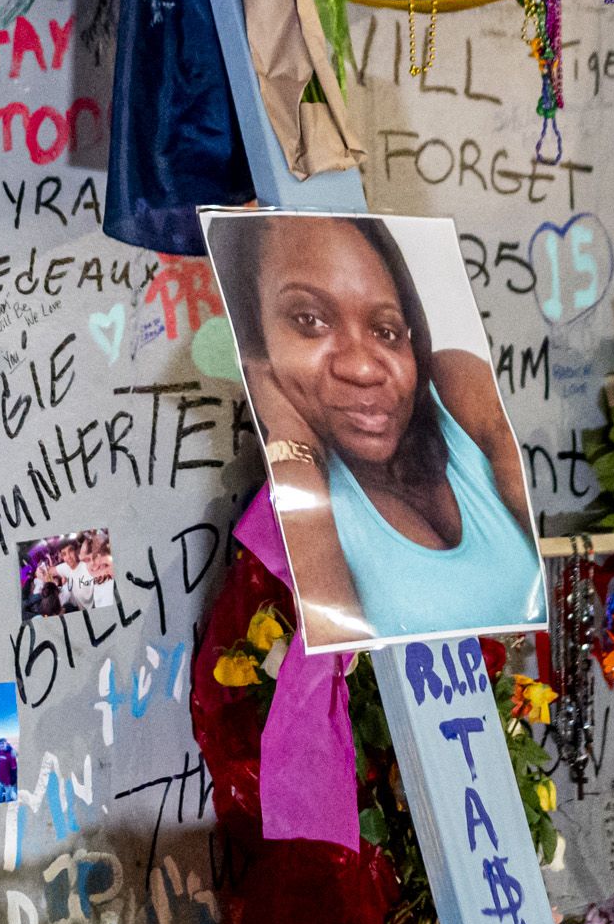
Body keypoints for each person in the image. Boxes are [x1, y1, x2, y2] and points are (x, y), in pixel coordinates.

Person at [212, 212, 543, 648]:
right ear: (255, 345)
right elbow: (332, 675)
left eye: (386, 331)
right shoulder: (293, 502)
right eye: (310, 321)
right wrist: (291, 448)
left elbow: (552, 563)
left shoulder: (455, 387)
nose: (365, 368)